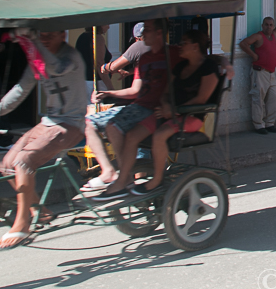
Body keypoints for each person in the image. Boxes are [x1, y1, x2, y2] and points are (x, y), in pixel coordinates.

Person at [0, 29, 88, 249]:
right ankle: (39, 211)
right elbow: (19, 91)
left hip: (71, 124)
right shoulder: (40, 57)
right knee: (7, 165)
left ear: (63, 35)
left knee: (23, 161)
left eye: (50, 34)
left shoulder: (70, 57)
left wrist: (32, 41)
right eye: (42, 35)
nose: (45, 38)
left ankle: (22, 224)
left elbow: (55, 67)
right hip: (49, 122)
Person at [109, 30, 232, 196]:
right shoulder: (180, 66)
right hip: (169, 113)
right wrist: (166, 105)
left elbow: (201, 99)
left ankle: (157, 179)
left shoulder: (207, 67)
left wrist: (174, 110)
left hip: (191, 115)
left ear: (195, 46)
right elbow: (166, 92)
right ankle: (123, 181)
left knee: (160, 135)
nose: (180, 46)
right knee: (132, 135)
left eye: (184, 42)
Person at [90, 20, 179, 196]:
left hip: (154, 110)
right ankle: (118, 174)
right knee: (88, 122)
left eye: (149, 30)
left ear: (160, 33)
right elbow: (136, 90)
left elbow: (200, 60)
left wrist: (224, 63)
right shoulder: (145, 58)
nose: (143, 35)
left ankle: (124, 178)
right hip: (138, 106)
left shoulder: (173, 54)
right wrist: (110, 94)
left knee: (114, 127)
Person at [239, 0, 276, 135]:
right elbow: (243, 44)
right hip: (260, 72)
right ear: (262, 25)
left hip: (271, 73)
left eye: (271, 25)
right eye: (266, 24)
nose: (269, 27)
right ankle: (258, 125)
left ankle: (270, 123)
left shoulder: (273, 35)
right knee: (258, 99)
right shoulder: (258, 36)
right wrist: (253, 56)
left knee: (273, 98)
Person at [75, 25, 112, 99]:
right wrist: (110, 88)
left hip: (83, 82)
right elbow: (99, 64)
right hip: (95, 84)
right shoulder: (97, 38)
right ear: (100, 25)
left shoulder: (82, 37)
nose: (108, 27)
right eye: (107, 24)